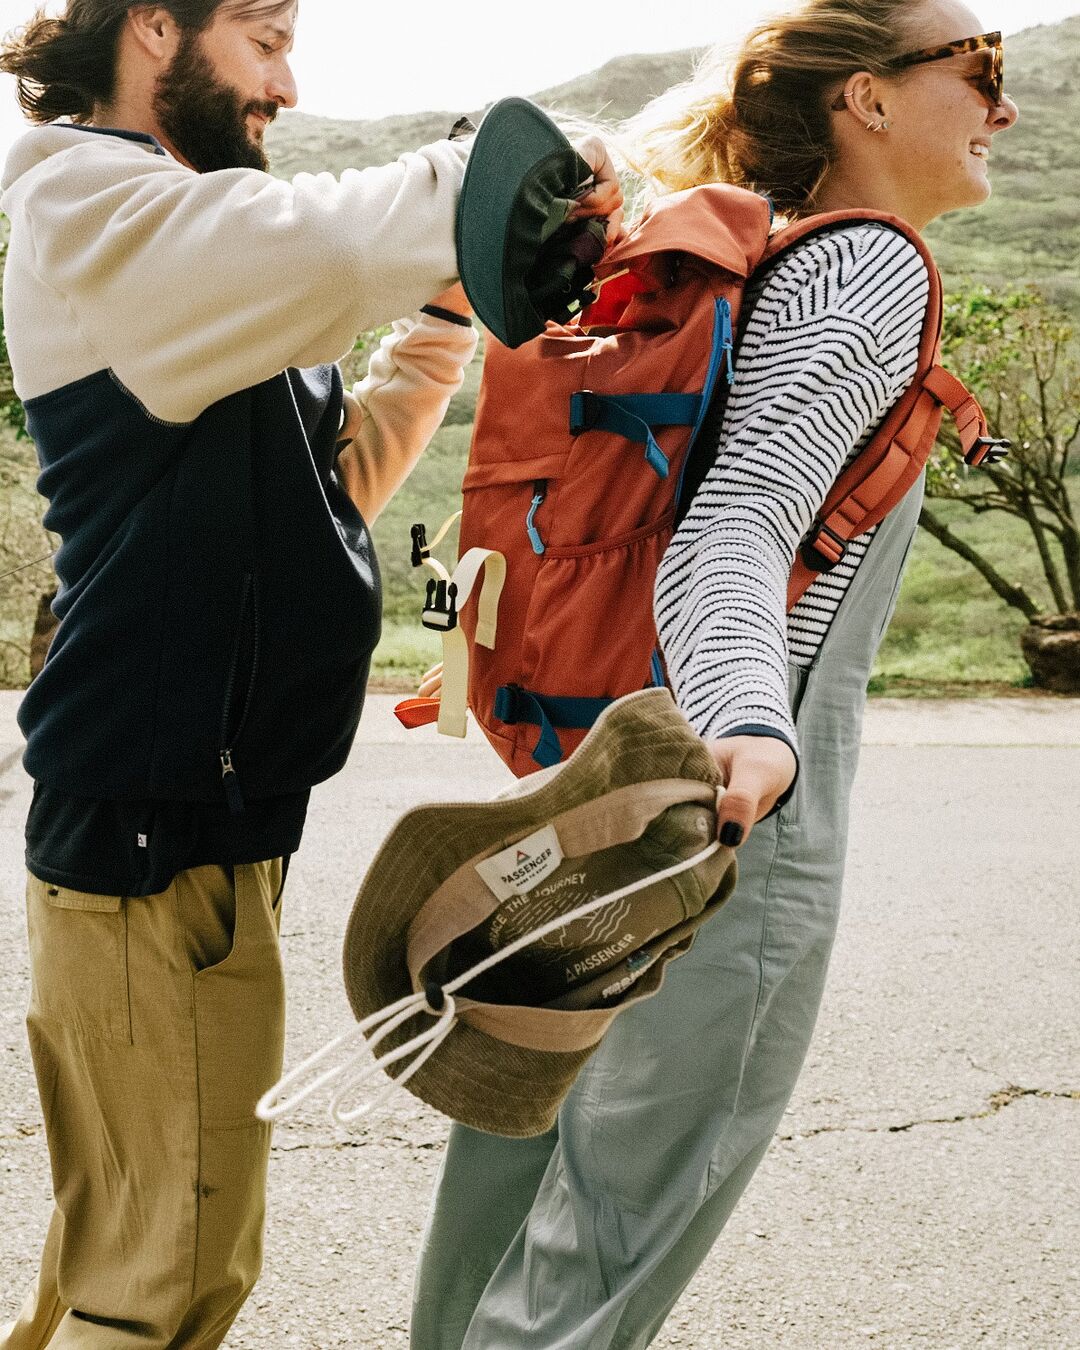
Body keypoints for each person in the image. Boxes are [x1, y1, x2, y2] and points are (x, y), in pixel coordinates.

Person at [0, 0, 620, 1344]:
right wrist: (494, 176)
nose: (289, 77)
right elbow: (340, 241)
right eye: (264, 36)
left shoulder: (190, 249)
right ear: (155, 28)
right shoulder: (95, 205)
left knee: (139, 1253)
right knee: (161, 1284)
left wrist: (447, 321)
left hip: (201, 824)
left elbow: (328, 484)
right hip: (151, 834)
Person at [410, 1, 1018, 1346]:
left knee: (507, 1200)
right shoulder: (867, 268)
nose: (1003, 106)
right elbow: (734, 523)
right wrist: (749, 723)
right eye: (978, 69)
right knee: (602, 1252)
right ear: (866, 98)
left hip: (598, 781)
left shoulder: (760, 261)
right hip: (727, 811)